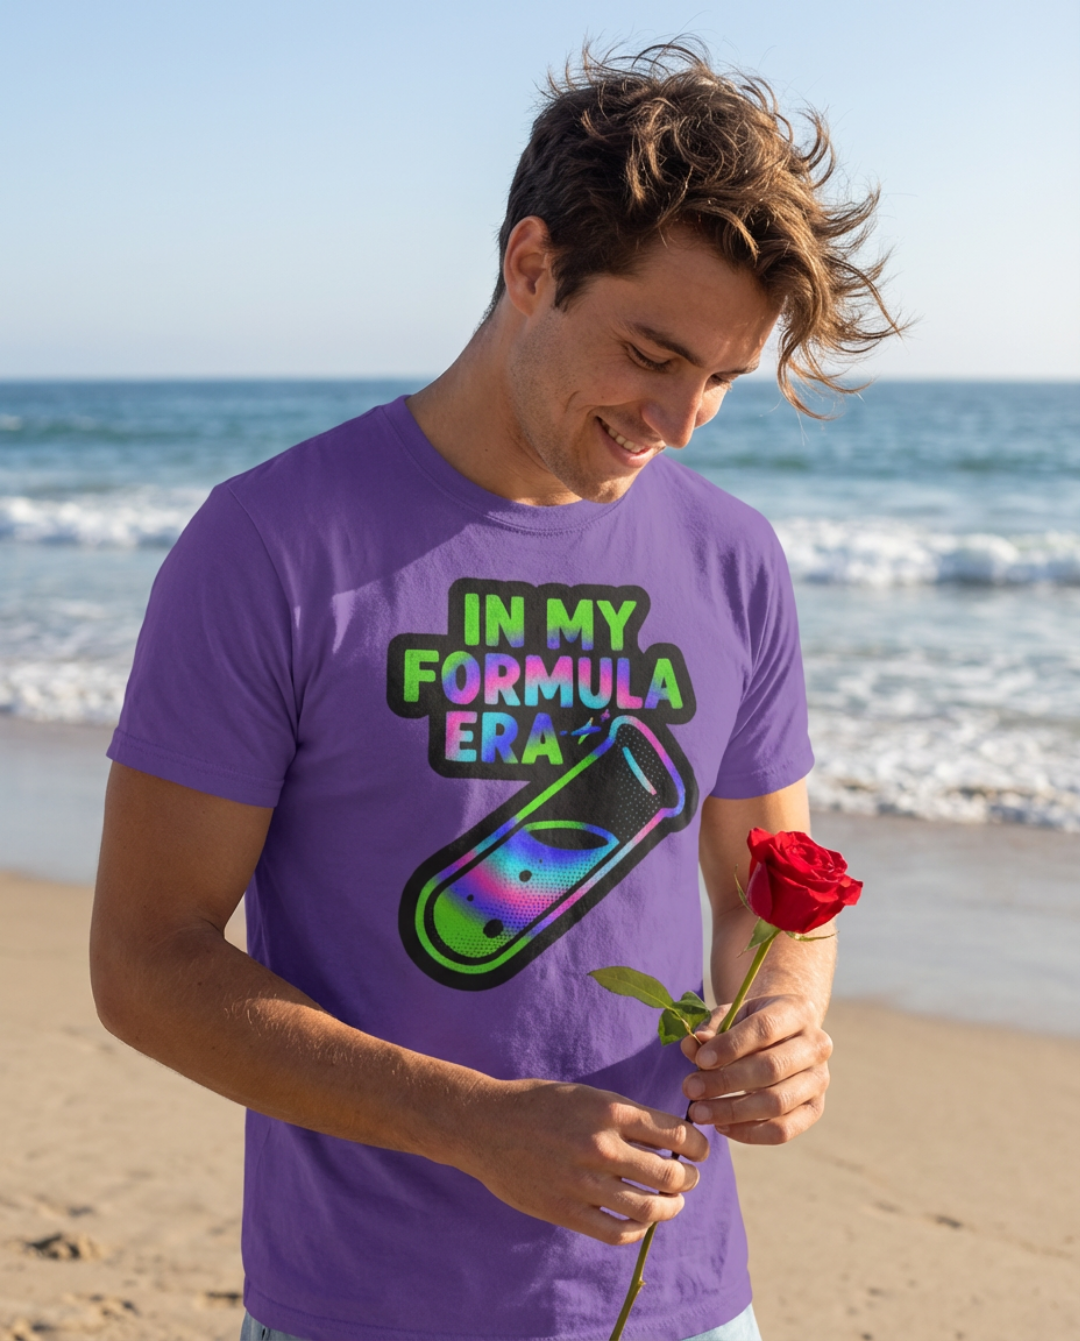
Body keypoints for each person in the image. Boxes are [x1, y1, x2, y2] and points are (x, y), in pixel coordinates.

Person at [90, 43, 899, 1341]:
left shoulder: (733, 559)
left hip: (681, 1304)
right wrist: (472, 1125)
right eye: (651, 352)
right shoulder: (272, 545)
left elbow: (775, 890)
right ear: (532, 267)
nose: (681, 419)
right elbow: (144, 964)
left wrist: (789, 1024)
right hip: (362, 1310)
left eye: (723, 380)